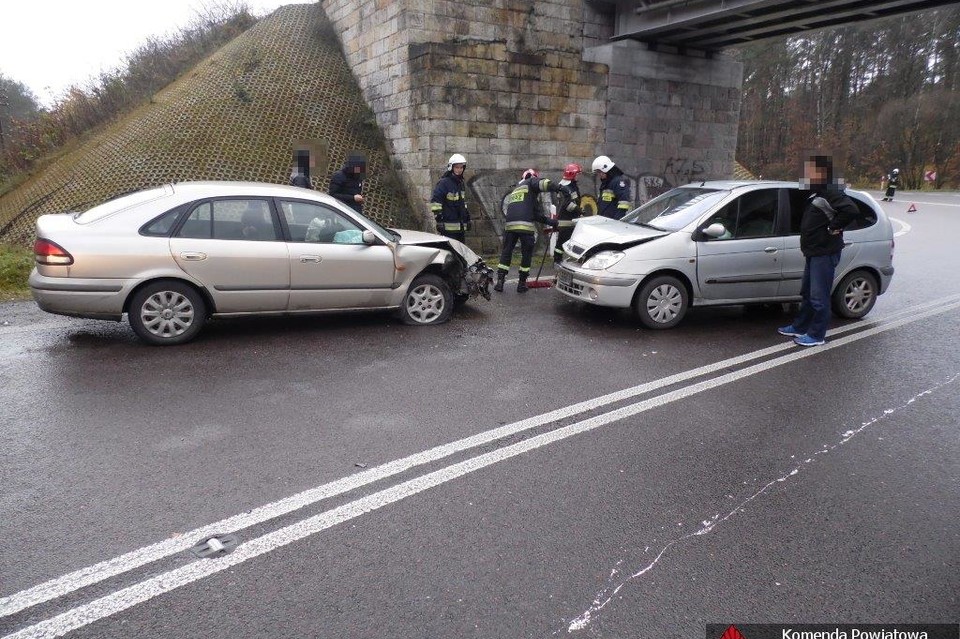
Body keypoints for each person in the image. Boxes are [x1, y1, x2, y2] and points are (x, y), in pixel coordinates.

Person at [777, 155, 859, 347]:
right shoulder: (817, 191)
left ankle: (816, 335)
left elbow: (851, 210)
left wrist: (833, 227)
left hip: (824, 252)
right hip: (814, 251)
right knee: (807, 292)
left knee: (819, 296)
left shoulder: (832, 191)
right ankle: (800, 326)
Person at [494, 169, 567, 293]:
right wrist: (559, 187)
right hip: (525, 226)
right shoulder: (531, 182)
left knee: (506, 252)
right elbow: (543, 184)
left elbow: (534, 214)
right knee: (526, 254)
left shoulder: (516, 190)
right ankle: (522, 284)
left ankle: (500, 282)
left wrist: (551, 222)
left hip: (510, 226)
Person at [430, 153, 470, 242]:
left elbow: (463, 203)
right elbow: (436, 202)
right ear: (451, 167)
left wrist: (467, 218)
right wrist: (439, 219)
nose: (459, 170)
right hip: (448, 229)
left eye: (461, 167)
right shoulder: (444, 183)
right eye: (457, 167)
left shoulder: (460, 183)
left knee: (460, 252)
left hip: (461, 227)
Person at [552, 163, 583, 264]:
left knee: (564, 241)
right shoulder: (566, 187)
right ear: (572, 175)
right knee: (562, 242)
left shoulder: (570, 186)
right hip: (566, 220)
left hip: (570, 219)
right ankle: (557, 260)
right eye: (577, 174)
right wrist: (579, 210)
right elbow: (567, 205)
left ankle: (559, 260)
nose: (579, 176)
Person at [592, 155, 631, 219]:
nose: (598, 175)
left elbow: (624, 203)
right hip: (605, 221)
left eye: (599, 172)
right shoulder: (606, 183)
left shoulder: (618, 182)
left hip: (613, 223)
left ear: (605, 169)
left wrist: (617, 220)